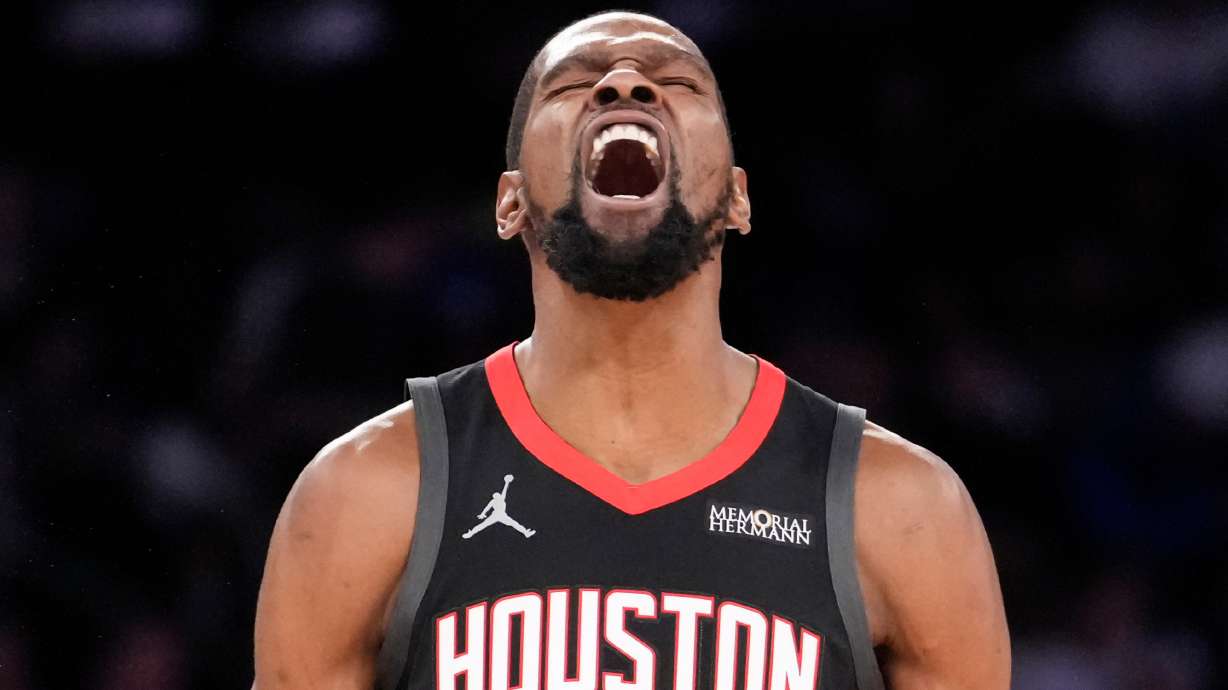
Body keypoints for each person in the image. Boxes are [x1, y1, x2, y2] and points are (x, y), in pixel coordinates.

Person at [252, 10, 1010, 690]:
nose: (623, 83)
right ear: (509, 202)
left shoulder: (900, 509)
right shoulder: (368, 492)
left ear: (740, 197)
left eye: (674, 81)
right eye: (574, 84)